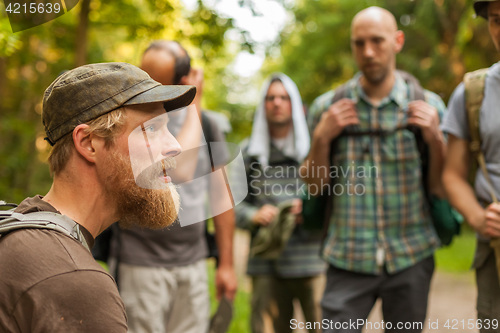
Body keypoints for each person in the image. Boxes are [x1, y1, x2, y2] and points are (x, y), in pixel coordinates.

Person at [0, 62, 196, 332]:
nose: (175, 146)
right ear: (89, 142)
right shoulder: (74, 282)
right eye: (151, 129)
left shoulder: (20, 229)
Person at [302, 6, 447, 333]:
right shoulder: (328, 108)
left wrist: (436, 139)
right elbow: (314, 187)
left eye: (377, 41)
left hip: (411, 253)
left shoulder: (430, 106)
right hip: (348, 255)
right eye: (359, 43)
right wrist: (322, 138)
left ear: (397, 41)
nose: (368, 52)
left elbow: (439, 187)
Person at [111, 40, 237, 333]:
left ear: (182, 82)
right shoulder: (135, 119)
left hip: (192, 263)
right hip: (139, 263)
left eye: (155, 80)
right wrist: (195, 102)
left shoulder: (209, 124)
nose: (144, 86)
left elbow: (221, 196)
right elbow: (180, 168)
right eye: (143, 74)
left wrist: (227, 264)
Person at [236, 73, 326, 333]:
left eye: (284, 98)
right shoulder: (249, 151)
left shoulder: (314, 148)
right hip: (266, 264)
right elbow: (235, 205)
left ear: (295, 104)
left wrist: (306, 209)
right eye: (271, 97)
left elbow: (329, 196)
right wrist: (254, 215)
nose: (277, 103)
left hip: (311, 260)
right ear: (263, 105)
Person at [442, 1, 500, 330]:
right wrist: (480, 218)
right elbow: (452, 175)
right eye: (496, 20)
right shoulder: (472, 92)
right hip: (494, 251)